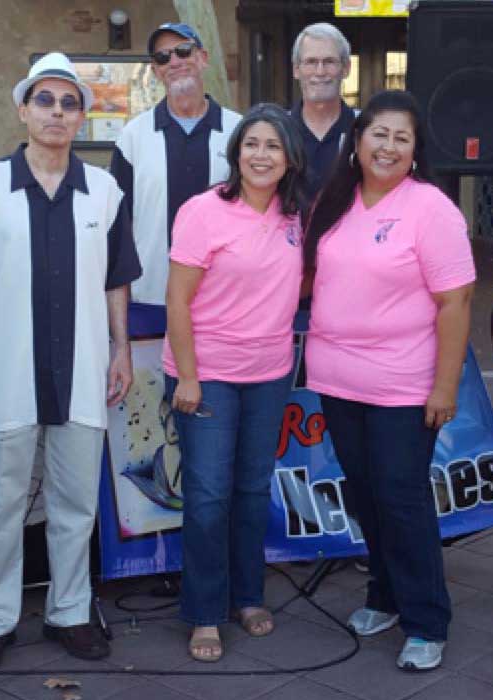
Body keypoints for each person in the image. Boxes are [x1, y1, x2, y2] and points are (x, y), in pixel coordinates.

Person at [0, 52, 141, 675]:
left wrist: (120, 349)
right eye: (45, 101)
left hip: (81, 370)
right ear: (23, 109)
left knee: (76, 502)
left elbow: (116, 279)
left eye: (69, 102)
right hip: (5, 369)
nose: (57, 112)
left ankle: (70, 611)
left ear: (82, 115)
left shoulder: (104, 189)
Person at [303, 90, 474, 672]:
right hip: (336, 377)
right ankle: (385, 594)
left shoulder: (432, 209)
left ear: (415, 152)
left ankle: (427, 619)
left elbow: (456, 304)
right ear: (358, 140)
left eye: (403, 138)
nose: (389, 147)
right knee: (365, 492)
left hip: (403, 384)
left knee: (402, 499)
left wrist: (444, 388)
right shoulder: (334, 199)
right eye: (380, 134)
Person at [164, 103, 305, 662]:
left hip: (269, 376)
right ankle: (204, 612)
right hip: (209, 378)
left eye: (273, 145)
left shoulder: (297, 216)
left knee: (251, 493)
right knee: (206, 498)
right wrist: (190, 377)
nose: (261, 155)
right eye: (252, 144)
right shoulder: (203, 212)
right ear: (236, 152)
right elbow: (178, 299)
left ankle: (247, 596)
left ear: (290, 156)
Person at [110, 22, 241, 309]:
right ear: (156, 71)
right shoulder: (133, 136)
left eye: (183, 51)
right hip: (151, 294)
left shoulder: (239, 131)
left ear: (202, 58)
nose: (175, 62)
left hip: (223, 297)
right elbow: (119, 222)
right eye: (163, 57)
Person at [289, 22, 356, 204]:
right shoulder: (279, 131)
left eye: (329, 62)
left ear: (346, 68)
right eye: (311, 62)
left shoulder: (364, 129)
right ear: (296, 69)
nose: (320, 72)